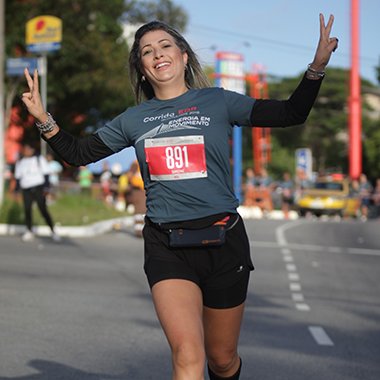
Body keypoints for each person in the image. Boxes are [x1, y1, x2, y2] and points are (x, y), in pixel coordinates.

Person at [21, 14, 338, 379]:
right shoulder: (133, 120)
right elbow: (77, 154)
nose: (157, 55)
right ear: (141, 69)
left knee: (221, 359)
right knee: (187, 355)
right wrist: (43, 117)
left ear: (184, 56)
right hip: (166, 245)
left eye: (165, 46)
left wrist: (316, 67)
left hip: (224, 242)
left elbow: (291, 113)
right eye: (146, 52)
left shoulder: (218, 102)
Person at [14, 143, 60, 242]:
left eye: (29, 149)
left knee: (43, 209)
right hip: (26, 189)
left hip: (38, 187)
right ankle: (29, 231)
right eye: (25, 149)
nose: (27, 151)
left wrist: (46, 188)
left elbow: (46, 174)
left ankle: (53, 231)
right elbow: (18, 178)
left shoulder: (39, 159)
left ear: (33, 150)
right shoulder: (20, 162)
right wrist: (16, 190)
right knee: (27, 209)